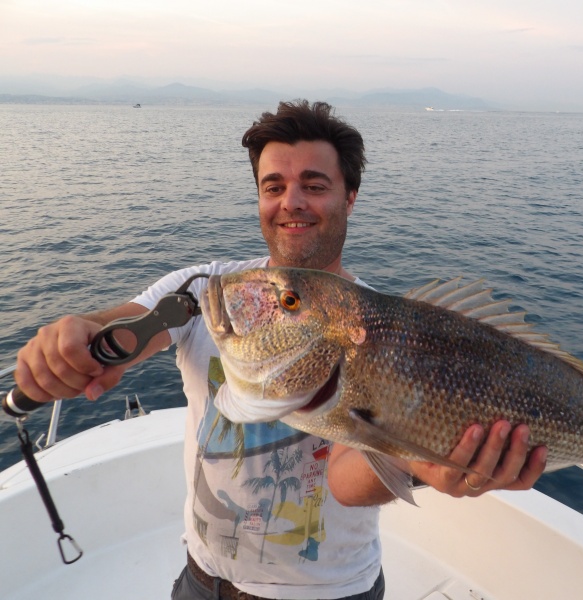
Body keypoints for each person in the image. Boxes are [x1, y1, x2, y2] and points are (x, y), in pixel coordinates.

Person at [15, 100, 548, 600]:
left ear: (349, 197)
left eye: (313, 185)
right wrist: (74, 340)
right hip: (203, 580)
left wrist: (420, 464)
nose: (291, 201)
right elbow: (125, 325)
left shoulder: (376, 330)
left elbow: (345, 479)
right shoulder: (211, 289)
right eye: (274, 186)